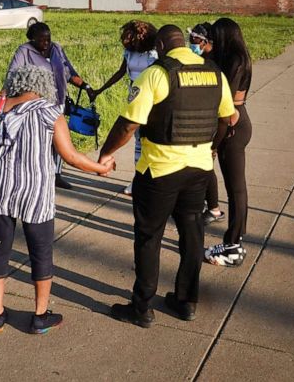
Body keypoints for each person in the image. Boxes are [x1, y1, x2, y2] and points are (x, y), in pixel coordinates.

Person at [0, 65, 114, 333]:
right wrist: (101, 168)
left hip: (0, 190)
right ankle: (39, 316)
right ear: (43, 84)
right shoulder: (51, 113)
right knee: (41, 253)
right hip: (36, 192)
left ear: (14, 82)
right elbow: (70, 156)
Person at [99, 25, 234, 327]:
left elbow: (128, 124)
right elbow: (228, 118)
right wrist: (212, 147)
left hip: (159, 170)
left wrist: (106, 154)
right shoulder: (215, 72)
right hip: (199, 169)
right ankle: (186, 302)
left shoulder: (158, 74)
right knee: (192, 233)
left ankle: (142, 307)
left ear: (160, 45)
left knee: (149, 237)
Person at [7, 22, 94, 190]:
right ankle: (37, 175)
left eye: (48, 39)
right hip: (36, 106)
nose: (46, 43)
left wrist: (86, 87)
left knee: (59, 140)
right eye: (42, 40)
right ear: (32, 39)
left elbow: (70, 72)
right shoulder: (24, 51)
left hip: (57, 103)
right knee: (40, 141)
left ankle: (56, 175)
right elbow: (12, 75)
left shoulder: (56, 49)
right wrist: (6, 97)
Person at [203, 18, 254, 268]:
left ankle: (233, 245)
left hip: (233, 125)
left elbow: (225, 103)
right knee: (236, 189)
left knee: (236, 190)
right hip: (237, 121)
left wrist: (215, 143)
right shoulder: (238, 57)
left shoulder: (235, 62)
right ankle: (235, 241)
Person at [94, 20, 158, 195]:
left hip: (153, 102)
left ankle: (152, 182)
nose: (124, 41)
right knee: (138, 143)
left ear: (139, 37)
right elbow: (120, 73)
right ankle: (138, 181)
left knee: (151, 143)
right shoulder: (129, 53)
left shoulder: (154, 54)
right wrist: (100, 90)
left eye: (127, 38)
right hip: (135, 99)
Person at [188, 23, 225, 225]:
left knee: (206, 165)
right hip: (204, 119)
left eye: (193, 39)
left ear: (204, 41)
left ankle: (214, 209)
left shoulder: (213, 64)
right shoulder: (204, 59)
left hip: (210, 121)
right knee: (202, 165)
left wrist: (215, 144)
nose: (190, 43)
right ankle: (208, 205)